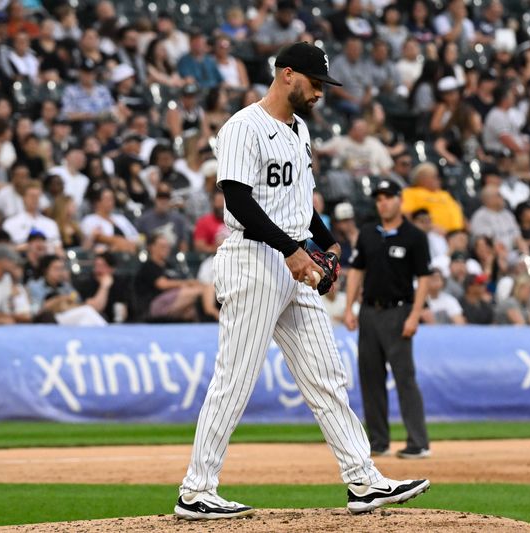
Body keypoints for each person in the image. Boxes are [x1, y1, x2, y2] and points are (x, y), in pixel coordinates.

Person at [177, 43, 428, 520]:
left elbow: (301, 202)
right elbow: (237, 201)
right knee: (235, 378)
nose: (319, 93)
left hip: (294, 260)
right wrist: (292, 251)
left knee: (327, 378)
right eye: (314, 83)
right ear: (286, 75)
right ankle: (196, 490)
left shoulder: (300, 130)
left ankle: (363, 480)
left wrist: (328, 243)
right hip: (253, 259)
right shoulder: (242, 127)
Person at [344, 178, 432, 460]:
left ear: (399, 199)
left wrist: (415, 315)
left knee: (405, 377)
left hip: (399, 311)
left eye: (388, 197)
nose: (383, 202)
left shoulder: (415, 236)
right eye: (378, 198)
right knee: (370, 378)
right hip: (369, 310)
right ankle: (378, 441)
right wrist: (349, 308)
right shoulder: (368, 233)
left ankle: (418, 442)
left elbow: (424, 278)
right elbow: (357, 270)